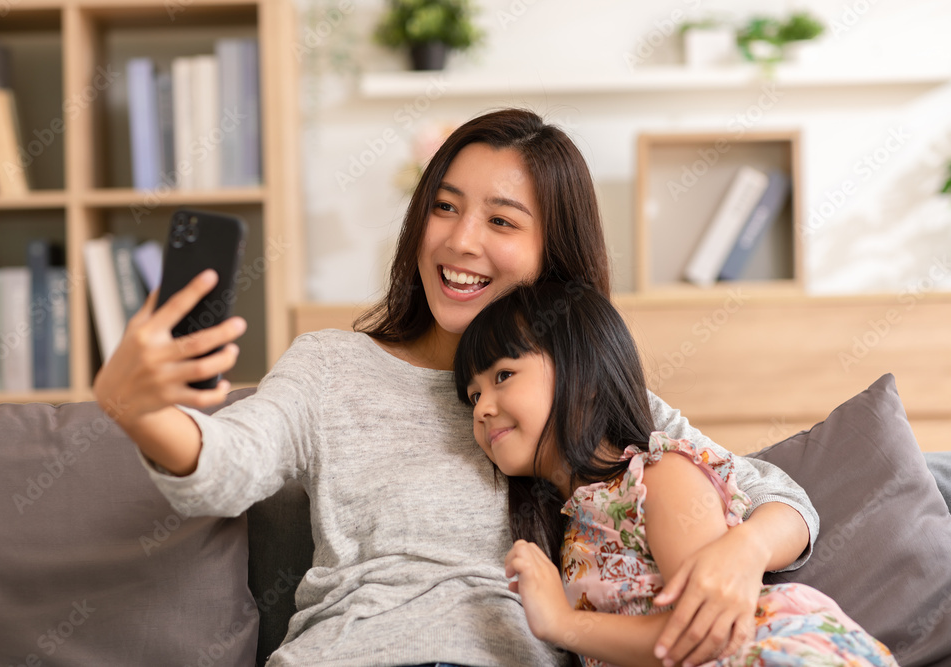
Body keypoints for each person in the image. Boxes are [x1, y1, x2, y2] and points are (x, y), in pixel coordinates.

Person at [93, 108, 819, 667]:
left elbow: (774, 494)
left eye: (501, 220)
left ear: (551, 256)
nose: (460, 240)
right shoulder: (330, 365)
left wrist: (740, 553)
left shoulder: (583, 395)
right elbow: (227, 465)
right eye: (444, 207)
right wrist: (140, 409)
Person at [453, 281, 897, 667]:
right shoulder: (574, 521)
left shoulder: (658, 476)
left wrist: (563, 623)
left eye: (503, 375)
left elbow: (703, 634)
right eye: (473, 396)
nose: (482, 408)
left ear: (583, 376)